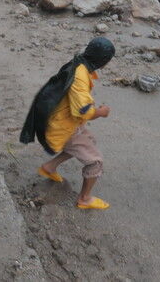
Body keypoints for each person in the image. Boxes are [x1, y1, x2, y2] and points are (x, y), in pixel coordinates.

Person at [20, 37, 115, 210]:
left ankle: (49, 167)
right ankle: (85, 199)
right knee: (95, 162)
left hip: (60, 120)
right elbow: (83, 111)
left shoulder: (78, 63)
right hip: (62, 127)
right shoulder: (80, 76)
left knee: (89, 140)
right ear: (103, 61)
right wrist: (101, 112)